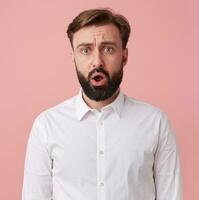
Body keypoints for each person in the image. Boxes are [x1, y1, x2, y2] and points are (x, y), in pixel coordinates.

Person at [22, 8, 183, 200]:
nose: (97, 62)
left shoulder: (156, 123)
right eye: (85, 50)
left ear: (124, 56)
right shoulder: (47, 126)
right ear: (73, 57)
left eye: (108, 49)